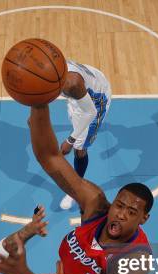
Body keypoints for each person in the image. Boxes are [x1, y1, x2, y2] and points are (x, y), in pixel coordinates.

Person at [0, 103, 152, 274]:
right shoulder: (95, 205)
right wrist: (38, 106)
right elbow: (51, 158)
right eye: (120, 205)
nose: (121, 214)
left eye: (132, 212)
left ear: (143, 219)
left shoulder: (135, 262)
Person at [58, 60, 111, 209]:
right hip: (86, 87)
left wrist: (70, 140)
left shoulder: (71, 84)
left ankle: (76, 188)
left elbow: (90, 112)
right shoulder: (50, 68)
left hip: (95, 102)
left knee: (79, 148)